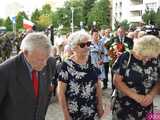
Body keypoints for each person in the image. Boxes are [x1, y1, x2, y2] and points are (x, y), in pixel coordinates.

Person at [0, 32, 56, 120]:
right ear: (25, 53)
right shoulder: (5, 71)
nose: (45, 63)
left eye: (47, 58)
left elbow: (46, 95)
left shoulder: (50, 63)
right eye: (40, 60)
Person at [57, 31, 104, 120]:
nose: (87, 47)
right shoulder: (66, 65)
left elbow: (98, 86)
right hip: (74, 113)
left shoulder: (93, 62)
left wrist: (100, 107)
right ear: (74, 47)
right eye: (82, 45)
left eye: (88, 44)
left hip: (92, 112)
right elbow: (61, 92)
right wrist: (66, 115)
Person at [111, 35, 160, 120]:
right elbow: (116, 81)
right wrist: (137, 97)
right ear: (140, 50)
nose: (148, 59)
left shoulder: (155, 59)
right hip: (125, 107)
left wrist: (151, 95)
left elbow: (158, 80)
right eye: (146, 56)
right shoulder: (126, 57)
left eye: (151, 57)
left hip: (147, 107)